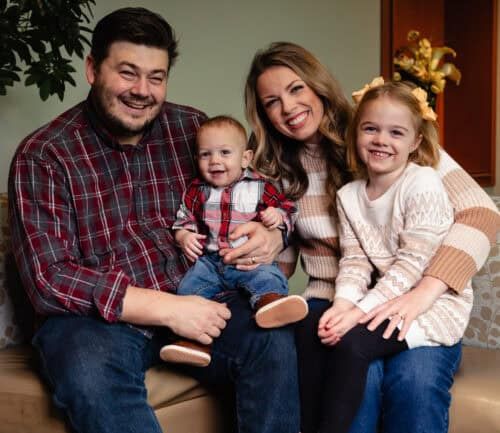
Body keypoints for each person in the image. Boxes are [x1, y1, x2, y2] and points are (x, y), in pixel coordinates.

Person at [8, 9, 300, 433]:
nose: (142, 91)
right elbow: (48, 279)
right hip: (97, 324)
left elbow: (251, 192)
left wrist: (273, 234)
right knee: (86, 367)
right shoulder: (45, 154)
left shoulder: (191, 129)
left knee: (271, 339)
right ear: (92, 69)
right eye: (128, 73)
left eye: (156, 77)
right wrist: (169, 309)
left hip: (200, 295)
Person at [244, 41, 500, 433]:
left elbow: (481, 213)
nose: (289, 108)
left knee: (413, 385)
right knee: (353, 382)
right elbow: (285, 257)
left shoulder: (383, 129)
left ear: (318, 85)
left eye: (296, 89)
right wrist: (262, 250)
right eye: (271, 102)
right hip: (336, 301)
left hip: (419, 301)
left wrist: (425, 292)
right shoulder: (274, 170)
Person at [315, 78, 472, 433]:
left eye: (396, 133)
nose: (381, 140)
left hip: (431, 309)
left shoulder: (422, 183)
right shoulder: (349, 196)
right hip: (384, 306)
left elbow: (413, 263)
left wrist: (358, 312)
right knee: (340, 346)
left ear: (416, 141)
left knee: (388, 368)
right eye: (370, 128)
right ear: (356, 134)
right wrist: (342, 305)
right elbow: (354, 261)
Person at [160, 115, 307, 367]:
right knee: (188, 290)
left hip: (247, 260)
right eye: (205, 154)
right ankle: (195, 343)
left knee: (267, 277)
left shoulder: (260, 187)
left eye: (225, 152)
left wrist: (277, 216)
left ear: (245, 158)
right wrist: (183, 235)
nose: (215, 161)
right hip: (210, 263)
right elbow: (184, 217)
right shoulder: (197, 191)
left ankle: (270, 304)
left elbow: (289, 208)